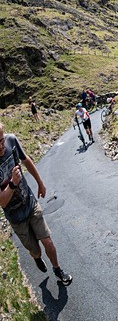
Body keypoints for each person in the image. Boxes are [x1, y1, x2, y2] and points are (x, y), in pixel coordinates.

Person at [0, 121, 72, 285]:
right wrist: (12, 182)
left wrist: (40, 182)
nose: (1, 145)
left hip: (30, 203)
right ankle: (37, 258)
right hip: (16, 217)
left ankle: (57, 269)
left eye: (1, 139)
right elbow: (2, 202)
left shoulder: (11, 140)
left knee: (47, 240)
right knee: (36, 251)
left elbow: (26, 160)